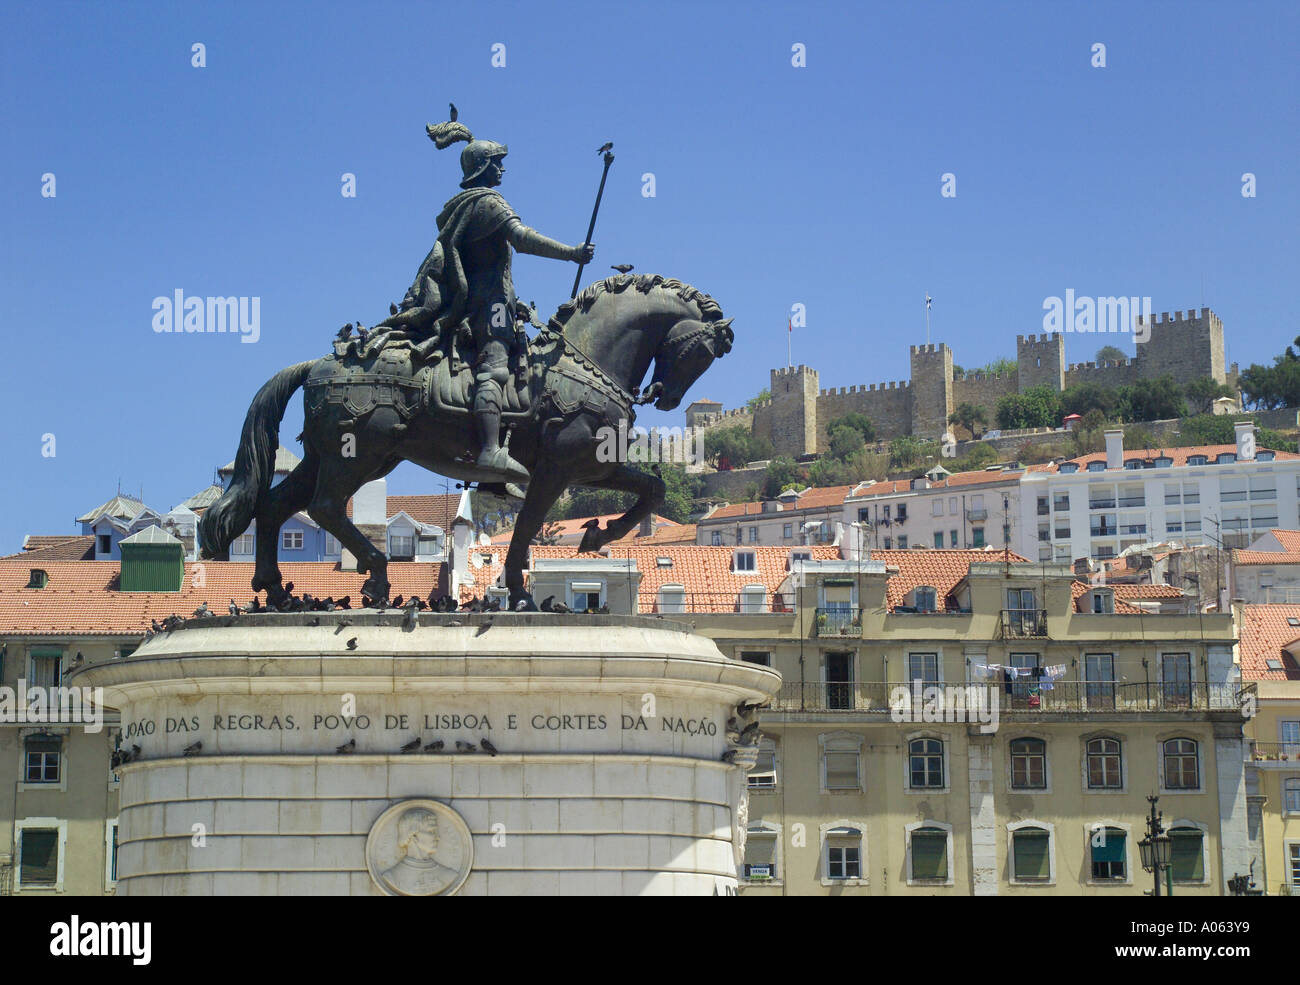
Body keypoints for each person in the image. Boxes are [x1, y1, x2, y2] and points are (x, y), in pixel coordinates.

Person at [392, 112, 594, 487]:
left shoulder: (463, 205)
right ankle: (488, 451)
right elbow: (522, 238)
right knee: (495, 368)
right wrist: (571, 253)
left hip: (489, 304)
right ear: (483, 166)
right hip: (490, 307)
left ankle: (502, 454)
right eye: (497, 163)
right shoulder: (488, 203)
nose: (502, 170)